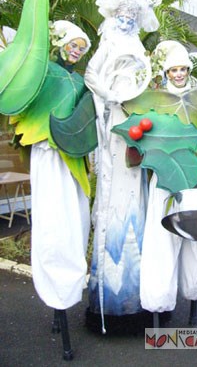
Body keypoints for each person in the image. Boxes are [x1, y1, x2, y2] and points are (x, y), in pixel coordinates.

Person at [84, 0, 159, 332]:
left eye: (133, 15)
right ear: (114, 15)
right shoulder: (108, 43)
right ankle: (111, 299)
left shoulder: (139, 49)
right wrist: (111, 97)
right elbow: (90, 75)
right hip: (115, 121)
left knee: (137, 199)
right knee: (115, 198)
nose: (127, 20)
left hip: (138, 125)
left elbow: (146, 80)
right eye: (122, 14)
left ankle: (140, 294)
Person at [140, 40, 197, 313]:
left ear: (188, 70)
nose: (178, 75)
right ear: (166, 72)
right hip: (166, 175)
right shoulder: (154, 102)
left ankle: (196, 293)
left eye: (182, 69)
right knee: (163, 237)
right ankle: (159, 300)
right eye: (173, 70)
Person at [24, 20, 91, 311]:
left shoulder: (80, 82)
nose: (76, 51)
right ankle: (54, 286)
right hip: (47, 153)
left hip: (73, 158)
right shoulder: (42, 74)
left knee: (75, 219)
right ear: (60, 43)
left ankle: (69, 284)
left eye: (81, 48)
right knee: (52, 219)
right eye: (73, 45)